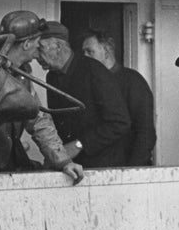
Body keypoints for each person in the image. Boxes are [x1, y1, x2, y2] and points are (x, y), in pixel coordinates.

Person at [0, 11, 84, 186]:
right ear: (27, 44)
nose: (38, 52)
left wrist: (63, 161)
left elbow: (38, 120)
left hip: (5, 166)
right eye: (37, 44)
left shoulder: (21, 73)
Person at [38, 21, 131, 168]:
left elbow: (120, 122)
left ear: (58, 46)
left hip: (102, 168)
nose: (36, 55)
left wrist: (79, 144)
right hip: (70, 167)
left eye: (40, 48)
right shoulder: (52, 77)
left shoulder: (95, 71)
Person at [82, 30, 157, 166]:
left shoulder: (133, 81)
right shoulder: (88, 84)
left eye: (89, 51)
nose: (85, 57)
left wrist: (132, 170)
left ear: (106, 51)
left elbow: (145, 132)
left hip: (126, 168)